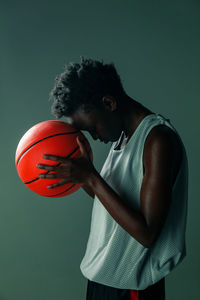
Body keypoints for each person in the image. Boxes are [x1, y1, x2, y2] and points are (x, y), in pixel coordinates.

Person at [37, 57, 188, 300]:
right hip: (102, 281)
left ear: (108, 103)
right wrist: (83, 178)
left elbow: (147, 233)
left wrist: (92, 177)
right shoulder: (121, 137)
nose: (93, 136)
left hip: (131, 288)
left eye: (92, 128)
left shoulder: (157, 139)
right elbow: (112, 207)